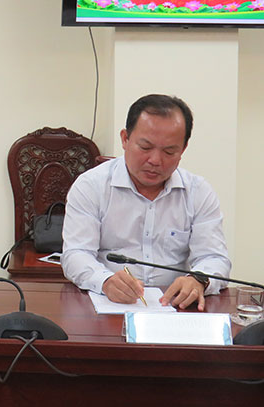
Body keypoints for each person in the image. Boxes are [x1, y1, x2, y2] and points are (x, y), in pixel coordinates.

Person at [61, 94, 231, 311]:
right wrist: (105, 280)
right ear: (125, 139)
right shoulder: (91, 186)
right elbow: (76, 254)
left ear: (183, 149)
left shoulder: (198, 192)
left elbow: (215, 258)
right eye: (145, 147)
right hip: (106, 305)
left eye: (169, 151)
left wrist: (198, 280)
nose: (155, 160)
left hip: (175, 307)